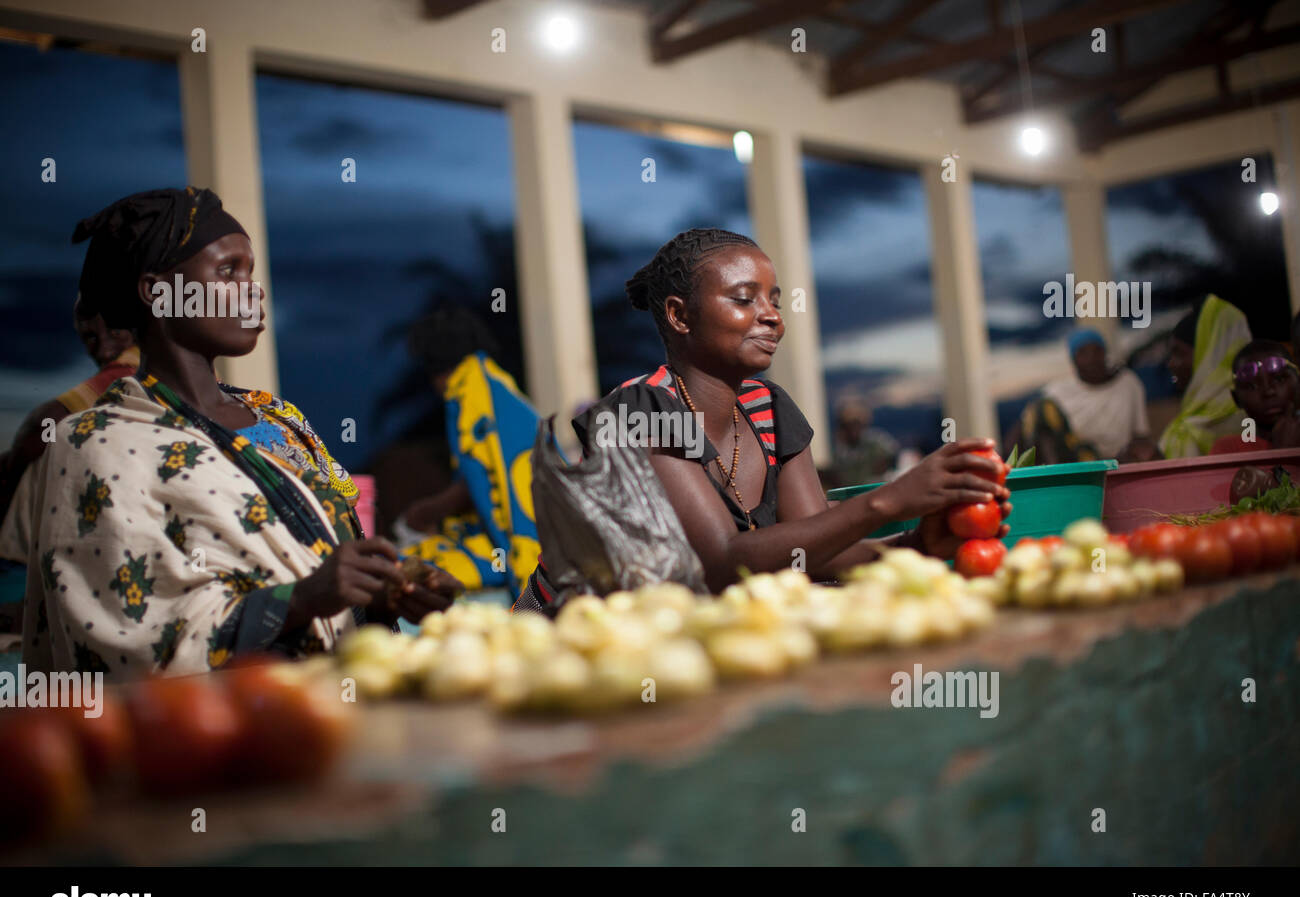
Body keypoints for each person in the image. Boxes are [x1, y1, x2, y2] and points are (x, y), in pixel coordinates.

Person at [21, 187, 460, 679]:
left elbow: (327, 575)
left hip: (349, 711)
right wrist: (302, 599)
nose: (252, 289)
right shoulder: (96, 444)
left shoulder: (278, 418)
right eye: (228, 271)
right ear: (155, 291)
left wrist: (386, 593)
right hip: (243, 732)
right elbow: (124, 644)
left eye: (250, 271)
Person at [514, 228, 1009, 610]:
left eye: (773, 299)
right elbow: (722, 565)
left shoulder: (768, 407)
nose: (772, 315)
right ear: (680, 315)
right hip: (573, 645)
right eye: (744, 298)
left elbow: (815, 552)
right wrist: (887, 502)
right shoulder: (639, 412)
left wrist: (915, 543)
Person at [395, 302, 541, 598]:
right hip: (541, 537)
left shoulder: (470, 392)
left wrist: (427, 511)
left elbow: (482, 480)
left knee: (407, 571)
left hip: (520, 549)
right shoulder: (495, 382)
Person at [0, 295, 140, 553]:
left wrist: (11, 473)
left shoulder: (135, 365)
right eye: (90, 338)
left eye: (115, 332)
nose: (104, 349)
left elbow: (46, 421)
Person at [1031, 327, 1152, 463]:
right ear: (1073, 360)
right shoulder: (1057, 392)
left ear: (1105, 353)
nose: (1091, 358)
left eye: (1097, 351)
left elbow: (1141, 434)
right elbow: (1032, 425)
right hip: (1076, 463)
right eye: (1083, 353)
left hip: (1120, 461)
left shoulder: (1129, 384)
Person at [1159, 294, 1253, 459]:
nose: (1171, 364)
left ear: (1209, 357)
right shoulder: (1188, 424)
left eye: (1179, 353)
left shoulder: (1256, 416)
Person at [1209, 340, 1300, 454]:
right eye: (1252, 386)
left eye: (1279, 379)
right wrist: (1284, 452)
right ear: (1236, 399)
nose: (1268, 392)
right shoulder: (1230, 450)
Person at [828, 393, 898, 486]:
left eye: (855, 424)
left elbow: (890, 458)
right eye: (846, 425)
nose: (852, 430)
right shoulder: (841, 450)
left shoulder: (877, 441)